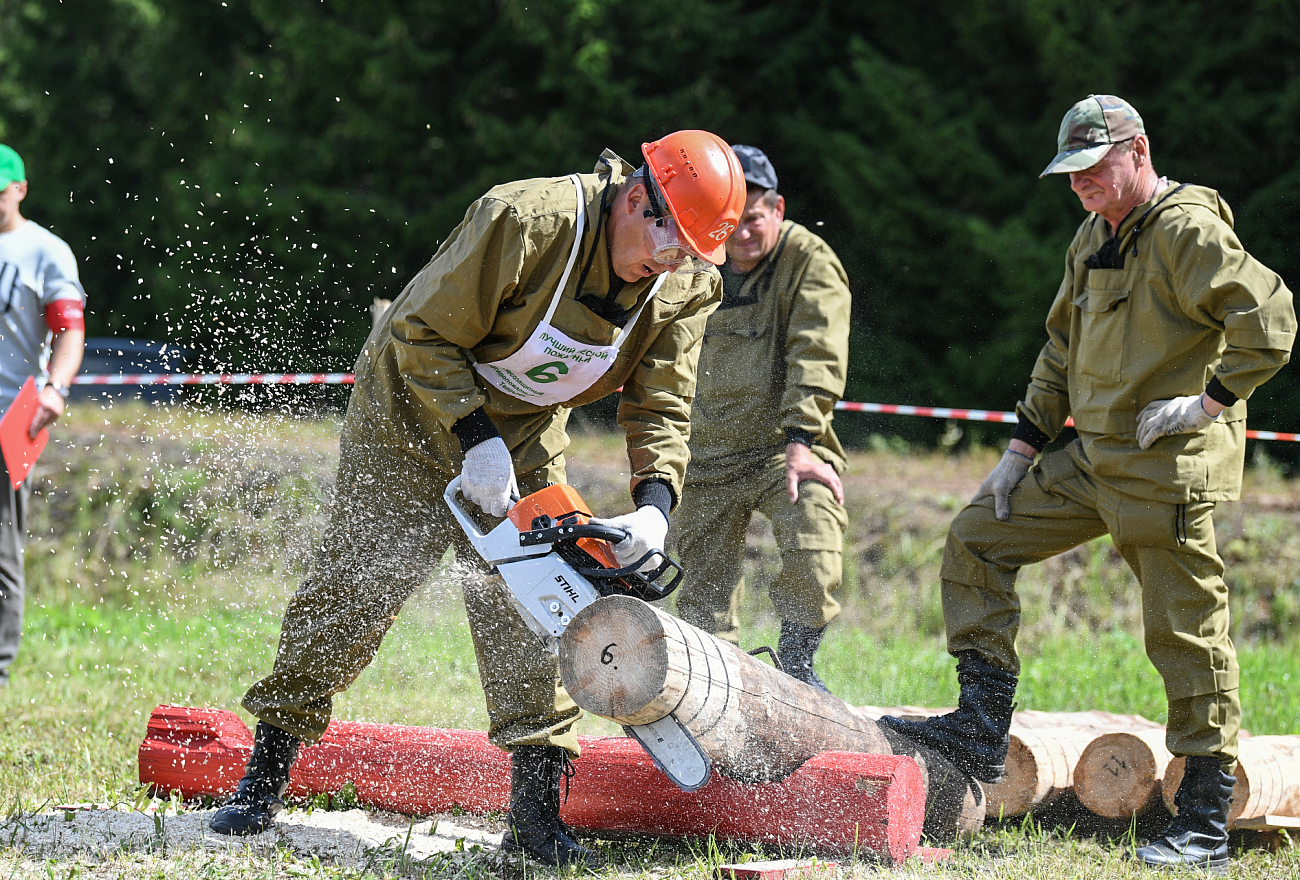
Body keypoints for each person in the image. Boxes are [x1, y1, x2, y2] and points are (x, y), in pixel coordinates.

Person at [209, 131, 747, 867]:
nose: (672, 260)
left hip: (523, 431)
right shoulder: (527, 221)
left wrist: (655, 504)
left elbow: (661, 402)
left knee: (540, 599)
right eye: (670, 240)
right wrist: (471, 434)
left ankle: (534, 817)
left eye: (691, 251)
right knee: (355, 587)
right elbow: (420, 329)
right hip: (408, 410)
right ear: (634, 199)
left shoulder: (684, 285)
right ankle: (264, 775)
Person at [879, 95, 1296, 872]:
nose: (1082, 185)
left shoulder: (1185, 229)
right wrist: (1020, 448)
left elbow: (1271, 321)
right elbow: (1061, 350)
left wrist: (1206, 402)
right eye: (1071, 174)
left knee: (1184, 634)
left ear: (1138, 151)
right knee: (977, 535)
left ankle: (1203, 816)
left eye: (1095, 168)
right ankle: (980, 727)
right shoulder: (1093, 235)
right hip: (1090, 463)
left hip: (1165, 472)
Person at [672, 145, 851, 693]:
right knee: (701, 602)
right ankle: (715, 698)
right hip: (705, 455)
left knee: (815, 530)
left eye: (754, 219)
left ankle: (797, 666)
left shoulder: (807, 259)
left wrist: (803, 439)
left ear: (777, 209)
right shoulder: (693, 258)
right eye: (730, 224)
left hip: (784, 449)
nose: (742, 235)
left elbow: (817, 350)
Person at [0, 143, 86, 687]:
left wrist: (55, 389)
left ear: (20, 189)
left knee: (0, 551)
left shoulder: (44, 251)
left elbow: (70, 330)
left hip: (7, 419)